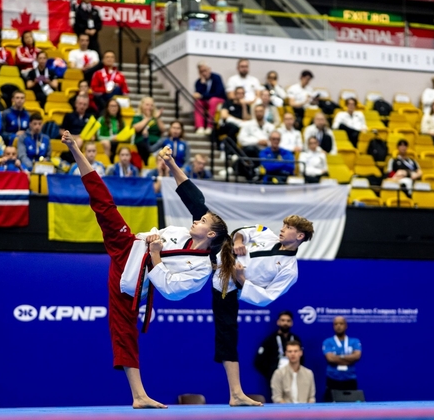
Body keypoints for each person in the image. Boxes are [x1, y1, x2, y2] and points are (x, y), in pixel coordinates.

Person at [60, 131, 234, 408]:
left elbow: (172, 291)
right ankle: (74, 150)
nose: (196, 220)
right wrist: (171, 165)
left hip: (132, 282)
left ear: (210, 235)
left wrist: (155, 255)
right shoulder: (181, 232)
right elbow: (193, 201)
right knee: (103, 203)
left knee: (124, 332)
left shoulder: (202, 268)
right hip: (127, 248)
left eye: (202, 221)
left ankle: (139, 396)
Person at [208, 216, 314, 406]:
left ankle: (236, 394)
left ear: (300, 236)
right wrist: (238, 241)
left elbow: (266, 297)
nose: (282, 229)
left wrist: (241, 279)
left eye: (288, 227)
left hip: (226, 287)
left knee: (228, 337)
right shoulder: (266, 233)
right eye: (284, 225)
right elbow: (242, 231)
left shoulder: (289, 271)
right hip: (218, 253)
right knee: (206, 220)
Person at [254, 311, 305, 388]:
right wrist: (271, 373)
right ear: (278, 322)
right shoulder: (270, 339)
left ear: (291, 323)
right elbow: (259, 361)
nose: (285, 323)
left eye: (288, 321)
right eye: (283, 320)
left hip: (294, 376)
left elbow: (302, 359)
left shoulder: (295, 339)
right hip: (276, 376)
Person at [322, 316, 362, 402]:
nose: (338, 326)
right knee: (330, 407)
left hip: (350, 379)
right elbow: (330, 358)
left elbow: (357, 356)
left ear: (346, 326)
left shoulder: (354, 341)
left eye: (341, 323)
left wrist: (338, 357)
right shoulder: (327, 342)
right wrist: (349, 358)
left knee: (351, 407)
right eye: (336, 324)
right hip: (332, 379)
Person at [194, 62, 226, 137]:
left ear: (209, 69)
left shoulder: (217, 77)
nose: (204, 73)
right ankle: (200, 127)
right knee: (198, 102)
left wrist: (202, 96)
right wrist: (202, 83)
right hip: (206, 101)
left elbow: (218, 93)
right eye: (201, 72)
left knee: (213, 100)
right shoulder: (198, 82)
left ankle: (210, 126)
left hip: (219, 100)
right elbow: (198, 95)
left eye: (205, 70)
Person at [132, 97, 165, 166]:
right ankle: (147, 164)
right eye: (147, 105)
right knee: (144, 146)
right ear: (142, 105)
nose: (149, 107)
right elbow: (137, 129)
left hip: (156, 142)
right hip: (142, 142)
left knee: (166, 142)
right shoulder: (138, 117)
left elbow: (163, 130)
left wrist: (157, 118)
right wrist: (147, 118)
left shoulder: (155, 118)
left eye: (151, 105)